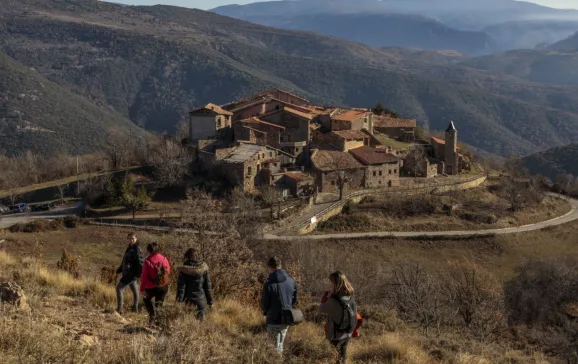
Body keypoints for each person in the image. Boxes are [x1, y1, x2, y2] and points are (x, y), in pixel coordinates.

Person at [261, 256, 298, 354]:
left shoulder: (268, 284)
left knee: (274, 348)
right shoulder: (291, 281)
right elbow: (295, 300)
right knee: (279, 345)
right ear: (280, 266)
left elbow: (264, 304)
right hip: (287, 317)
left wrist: (266, 311)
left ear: (270, 268)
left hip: (273, 318)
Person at [319, 271, 358, 364]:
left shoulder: (333, 300)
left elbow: (321, 308)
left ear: (336, 283)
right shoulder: (350, 296)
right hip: (348, 332)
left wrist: (325, 297)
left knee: (335, 358)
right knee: (342, 357)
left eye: (331, 282)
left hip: (336, 334)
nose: (330, 284)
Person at [176, 248, 214, 321]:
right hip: (201, 301)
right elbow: (208, 287)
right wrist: (210, 302)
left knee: (188, 324)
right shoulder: (204, 268)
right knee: (200, 325)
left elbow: (181, 288)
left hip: (188, 301)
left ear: (187, 256)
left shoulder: (183, 269)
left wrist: (179, 301)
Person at [140, 241, 171, 323]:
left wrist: (142, 289)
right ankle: (159, 322)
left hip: (152, 287)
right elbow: (168, 272)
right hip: (164, 286)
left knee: (146, 299)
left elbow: (144, 277)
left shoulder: (148, 261)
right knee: (159, 305)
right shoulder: (164, 258)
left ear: (149, 250)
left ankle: (152, 316)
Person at [115, 232, 144, 314]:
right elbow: (125, 260)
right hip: (128, 273)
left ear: (136, 239)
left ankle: (120, 309)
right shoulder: (130, 247)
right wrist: (119, 270)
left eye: (133, 238)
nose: (131, 240)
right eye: (130, 238)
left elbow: (141, 263)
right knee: (135, 291)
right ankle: (135, 309)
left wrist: (138, 275)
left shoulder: (137, 249)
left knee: (119, 288)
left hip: (130, 274)